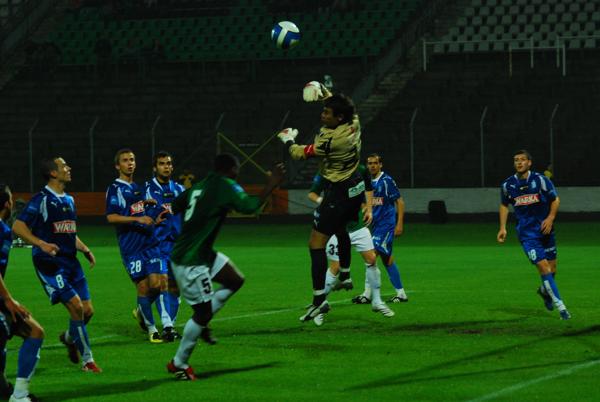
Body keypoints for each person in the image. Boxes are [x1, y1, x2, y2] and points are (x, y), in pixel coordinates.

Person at [166, 154, 284, 380]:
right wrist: (271, 184)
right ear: (230, 169)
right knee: (202, 313)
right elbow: (250, 206)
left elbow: (175, 205)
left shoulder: (200, 185)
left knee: (234, 280)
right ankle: (179, 363)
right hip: (191, 259)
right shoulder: (225, 185)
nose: (237, 173)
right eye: (237, 169)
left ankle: (202, 323)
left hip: (200, 252)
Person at [277, 81, 372, 326]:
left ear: (338, 118)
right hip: (354, 187)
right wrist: (323, 90)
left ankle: (319, 300)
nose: (322, 114)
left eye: (327, 113)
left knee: (315, 243)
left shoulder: (330, 140)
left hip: (337, 192)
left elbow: (299, 153)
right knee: (340, 229)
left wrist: (288, 139)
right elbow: (343, 105)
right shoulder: (354, 122)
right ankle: (346, 274)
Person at [12, 158, 101, 373]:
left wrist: (85, 249)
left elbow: (68, 231)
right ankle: (88, 361)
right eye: (64, 167)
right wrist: (41, 243)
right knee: (77, 307)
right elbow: (18, 226)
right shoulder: (41, 199)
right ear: (53, 173)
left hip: (71, 262)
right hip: (50, 264)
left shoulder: (69, 199)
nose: (69, 168)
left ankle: (69, 338)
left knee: (88, 311)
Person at [308, 170, 393, 317]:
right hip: (335, 228)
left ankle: (377, 301)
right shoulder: (326, 172)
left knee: (372, 259)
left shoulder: (359, 169)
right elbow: (312, 194)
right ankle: (320, 304)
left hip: (358, 226)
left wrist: (369, 209)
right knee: (335, 267)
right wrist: (323, 203)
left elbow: (367, 189)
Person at [497, 150, 571, 320]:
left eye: (522, 159)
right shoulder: (508, 185)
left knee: (552, 269)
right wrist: (502, 228)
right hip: (527, 235)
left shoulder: (541, 180)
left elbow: (555, 199)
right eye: (516, 160)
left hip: (546, 230)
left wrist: (550, 218)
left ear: (529, 163)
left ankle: (544, 292)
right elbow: (504, 205)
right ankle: (562, 308)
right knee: (543, 268)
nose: (519, 162)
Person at [106, 149, 169, 343]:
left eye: (132, 160)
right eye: (125, 160)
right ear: (118, 166)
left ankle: (141, 311)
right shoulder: (115, 189)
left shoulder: (137, 187)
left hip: (149, 243)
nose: (130, 163)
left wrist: (152, 217)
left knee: (158, 285)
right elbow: (112, 217)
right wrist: (137, 219)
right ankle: (152, 330)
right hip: (131, 248)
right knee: (143, 288)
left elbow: (138, 211)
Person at [0, 184, 44, 402]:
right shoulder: (1, 231)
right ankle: (17, 394)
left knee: (34, 331)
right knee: (32, 332)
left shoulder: (4, 230)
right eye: (11, 199)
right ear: (7, 204)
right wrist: (8, 300)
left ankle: (15, 393)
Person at [353, 154, 408, 304]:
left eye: (375, 163)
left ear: (380, 165)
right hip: (375, 226)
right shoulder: (367, 181)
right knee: (387, 259)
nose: (372, 166)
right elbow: (366, 202)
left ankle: (367, 294)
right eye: (369, 163)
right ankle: (401, 293)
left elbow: (400, 202)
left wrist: (399, 224)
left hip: (386, 225)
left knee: (371, 256)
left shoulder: (386, 181)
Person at [143, 151, 185, 342]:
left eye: (168, 163)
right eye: (162, 164)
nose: (166, 167)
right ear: (155, 167)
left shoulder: (180, 190)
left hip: (176, 245)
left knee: (176, 288)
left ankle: (147, 311)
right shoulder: (146, 190)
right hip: (156, 245)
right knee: (161, 285)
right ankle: (167, 327)